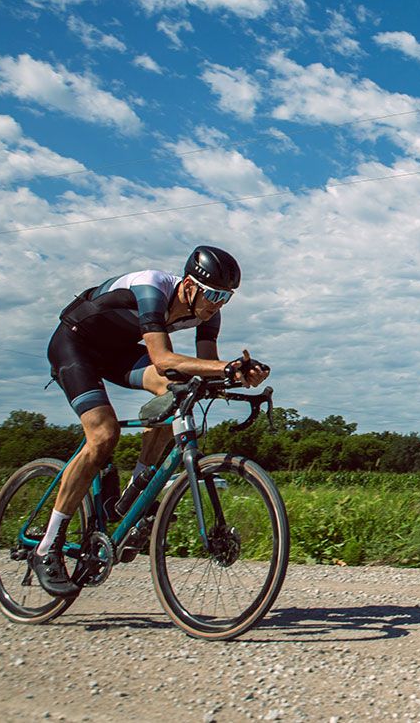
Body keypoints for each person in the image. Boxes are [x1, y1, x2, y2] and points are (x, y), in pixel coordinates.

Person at [33, 245, 269, 596]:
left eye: (226, 297)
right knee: (103, 434)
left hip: (119, 353)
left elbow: (207, 367)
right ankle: (47, 546)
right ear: (189, 286)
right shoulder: (151, 288)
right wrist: (227, 368)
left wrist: (240, 376)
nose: (218, 304)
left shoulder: (208, 314)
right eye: (214, 294)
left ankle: (135, 490)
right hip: (75, 345)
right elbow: (161, 359)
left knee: (179, 390)